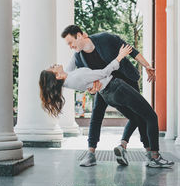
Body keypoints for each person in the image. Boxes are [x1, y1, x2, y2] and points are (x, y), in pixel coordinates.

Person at [39, 44, 174, 168]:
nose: (53, 64)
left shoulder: (67, 77)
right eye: (52, 67)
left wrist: (79, 43)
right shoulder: (74, 78)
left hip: (107, 94)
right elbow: (104, 73)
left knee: (137, 117)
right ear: (56, 76)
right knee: (151, 116)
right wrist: (120, 56)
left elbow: (74, 59)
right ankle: (155, 157)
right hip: (116, 87)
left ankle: (130, 147)